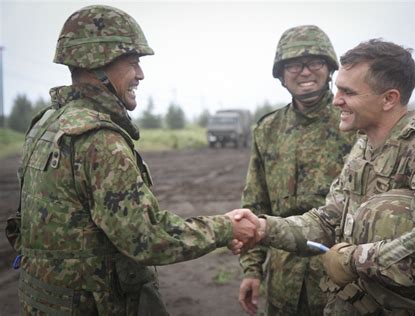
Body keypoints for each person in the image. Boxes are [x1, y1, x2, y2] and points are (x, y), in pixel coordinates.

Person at [4, 5, 259, 315]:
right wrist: (225, 228)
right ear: (97, 63)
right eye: (133, 62)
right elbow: (146, 237)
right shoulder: (98, 139)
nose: (140, 74)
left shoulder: (46, 124)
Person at [234, 39, 415, 315]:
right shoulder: (363, 148)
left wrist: (353, 260)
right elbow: (328, 219)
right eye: (338, 90)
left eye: (348, 92)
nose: (336, 101)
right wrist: (264, 228)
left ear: (389, 99)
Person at [238, 25, 354, 316]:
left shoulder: (355, 124)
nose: (304, 71)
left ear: (329, 69)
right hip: (283, 282)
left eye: (314, 62)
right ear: (281, 74)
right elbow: (256, 203)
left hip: (344, 278)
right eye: (293, 64)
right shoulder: (268, 129)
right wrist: (252, 270)